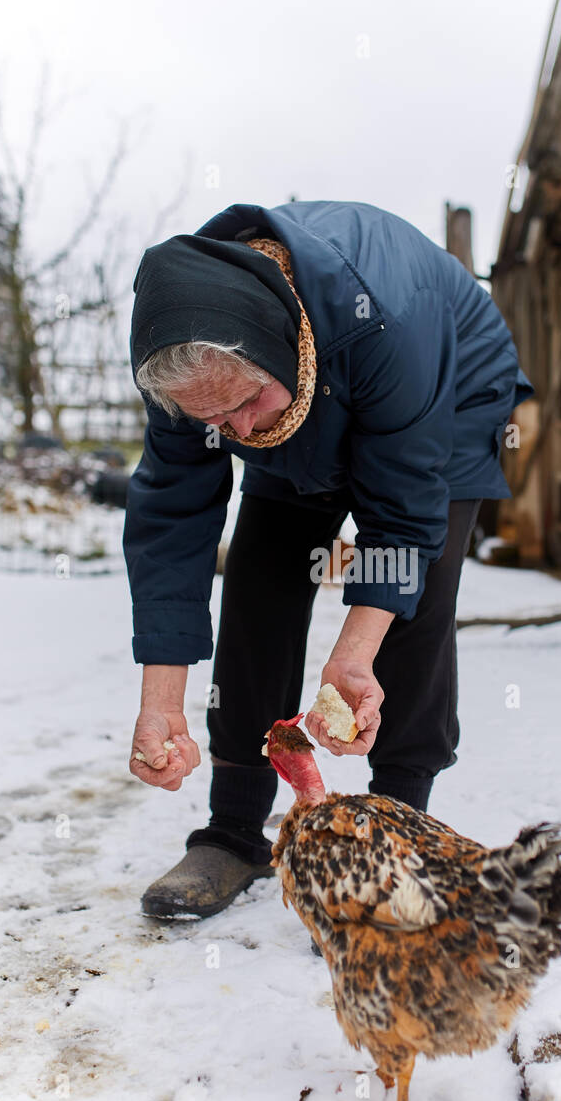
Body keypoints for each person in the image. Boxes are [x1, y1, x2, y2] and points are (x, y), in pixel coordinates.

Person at [123, 199, 532, 918]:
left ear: (275, 345)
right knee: (261, 584)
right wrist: (161, 704)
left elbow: (400, 516)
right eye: (214, 421)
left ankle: (396, 837)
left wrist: (353, 655)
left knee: (413, 604)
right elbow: (171, 521)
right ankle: (233, 830)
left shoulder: (389, 319)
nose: (240, 431)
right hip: (315, 383)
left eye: (246, 403)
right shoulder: (186, 367)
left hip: (447, 387)